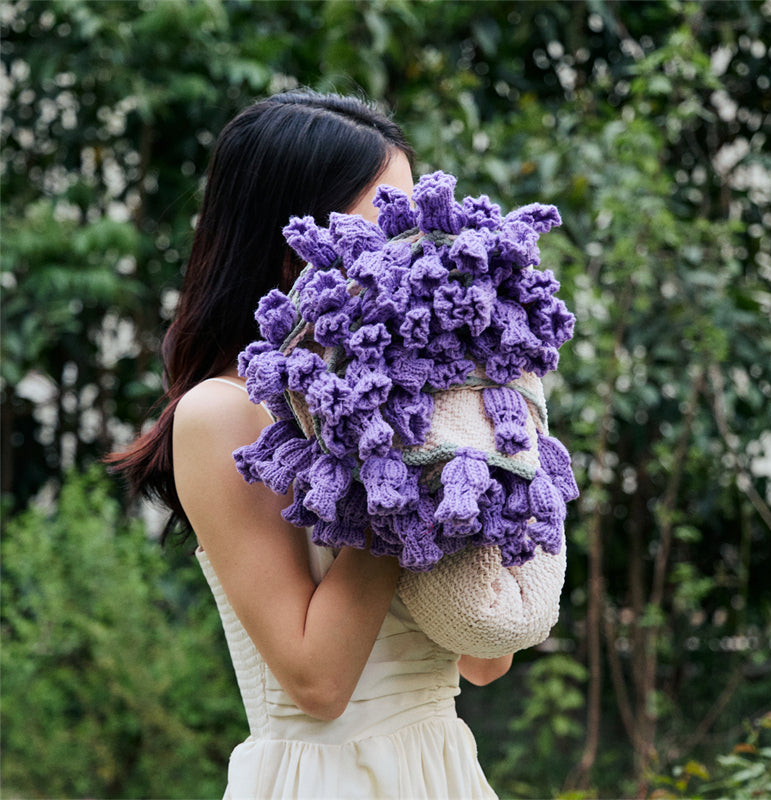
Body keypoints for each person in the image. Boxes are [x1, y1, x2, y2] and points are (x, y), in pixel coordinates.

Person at [110, 90, 511, 799]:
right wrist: (396, 466)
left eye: (410, 220)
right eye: (378, 222)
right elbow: (317, 681)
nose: (405, 250)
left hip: (444, 769)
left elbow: (486, 658)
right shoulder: (220, 414)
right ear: (290, 236)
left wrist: (482, 440)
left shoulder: (402, 392)